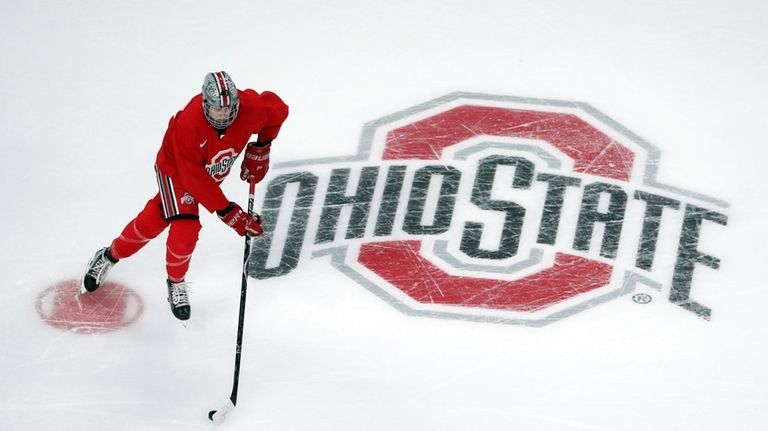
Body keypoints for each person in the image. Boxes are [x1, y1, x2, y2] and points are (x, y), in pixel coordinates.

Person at [80, 71, 289, 321]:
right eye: (216, 110)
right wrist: (229, 213)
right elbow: (193, 179)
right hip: (175, 171)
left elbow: (279, 111)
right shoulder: (189, 124)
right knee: (185, 228)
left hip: (205, 174)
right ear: (205, 105)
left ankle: (109, 255)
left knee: (155, 219)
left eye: (229, 108)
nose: (224, 115)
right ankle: (175, 282)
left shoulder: (250, 109)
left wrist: (262, 146)